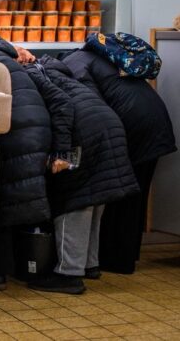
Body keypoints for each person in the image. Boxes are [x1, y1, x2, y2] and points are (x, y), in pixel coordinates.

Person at [24, 55, 139, 294]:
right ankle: (89, 264)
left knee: (74, 199)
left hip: (85, 132)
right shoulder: (64, 72)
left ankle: (69, 273)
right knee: (95, 198)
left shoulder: (34, 73)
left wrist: (61, 153)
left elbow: (61, 106)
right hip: (108, 124)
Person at [0, 39, 73, 291]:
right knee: (17, 201)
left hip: (13, 137)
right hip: (36, 136)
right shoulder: (14, 66)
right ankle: (24, 268)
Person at [64, 40, 176, 275]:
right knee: (136, 193)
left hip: (133, 124)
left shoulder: (72, 63)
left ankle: (115, 259)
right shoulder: (103, 58)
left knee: (118, 191)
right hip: (155, 119)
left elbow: (89, 106)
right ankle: (126, 256)